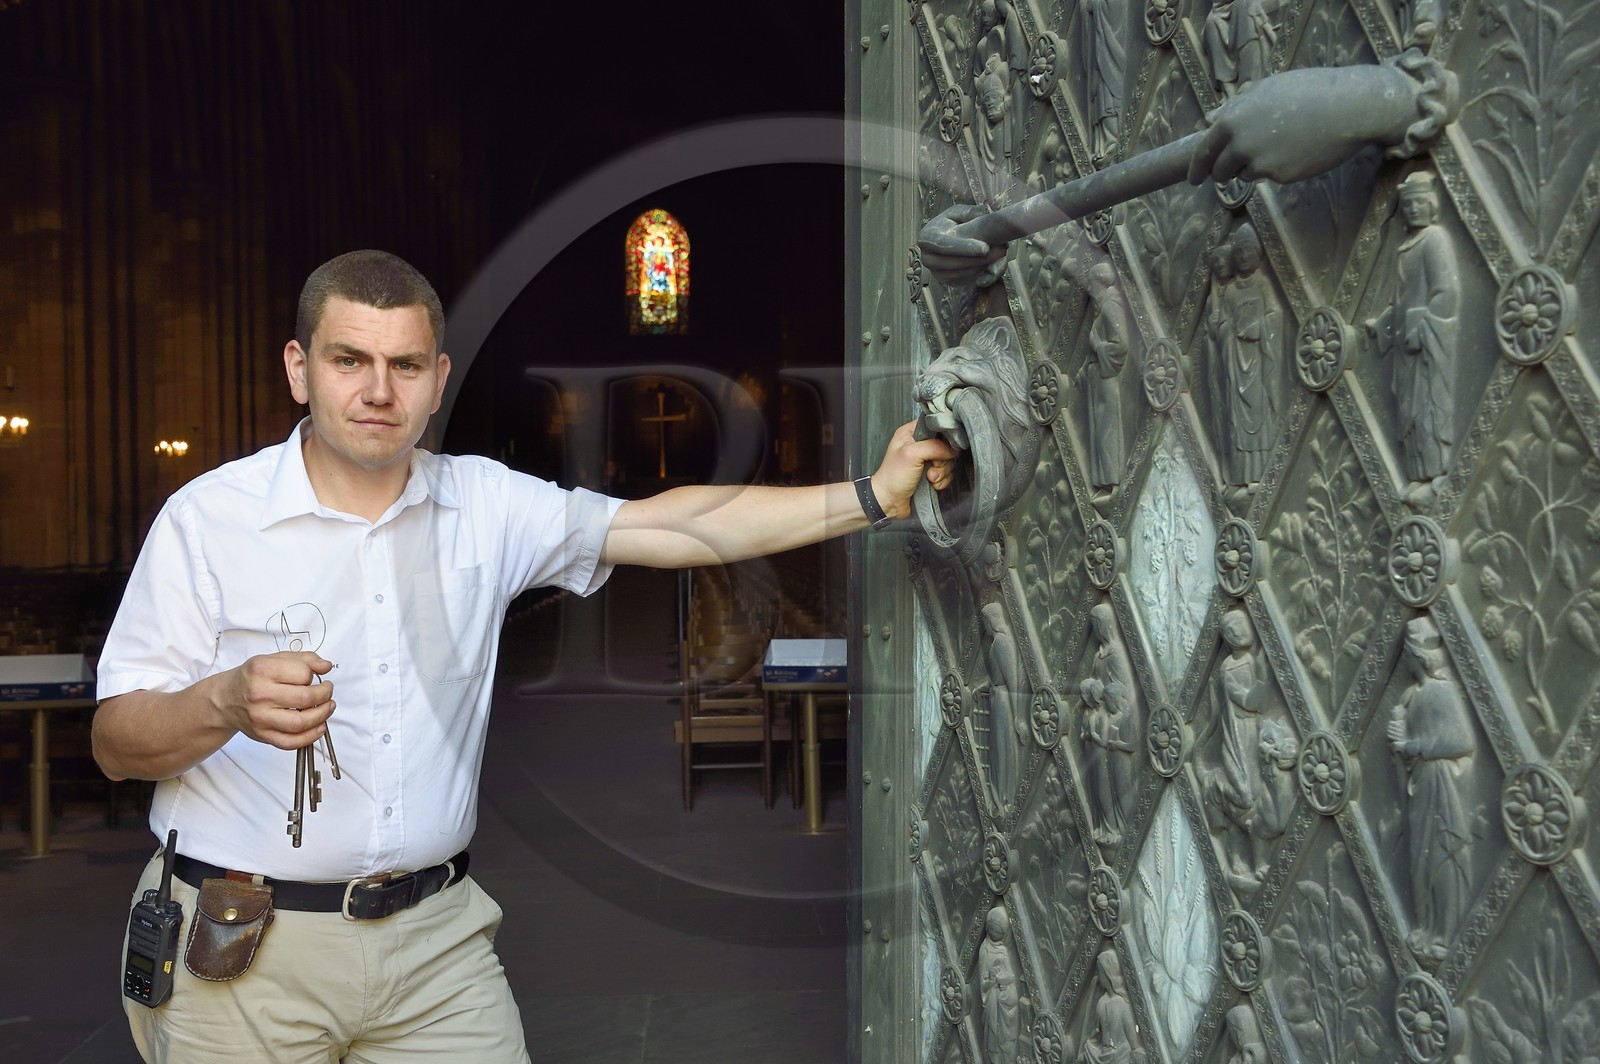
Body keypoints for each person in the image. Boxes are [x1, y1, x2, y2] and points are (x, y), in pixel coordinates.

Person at [91, 249, 956, 1063]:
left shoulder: (485, 504)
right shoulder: (208, 520)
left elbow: (668, 524)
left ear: (438, 381)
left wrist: (872, 497)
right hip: (243, 947)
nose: (376, 390)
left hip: (435, 949)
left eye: (404, 365)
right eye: (349, 360)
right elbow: (116, 743)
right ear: (299, 369)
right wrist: (225, 703)